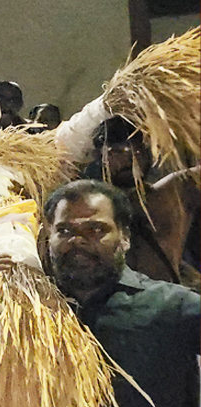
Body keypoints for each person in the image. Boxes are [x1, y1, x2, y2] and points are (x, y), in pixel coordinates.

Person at [0, 179, 199, 407]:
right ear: (47, 239)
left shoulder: (170, 307)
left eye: (96, 230)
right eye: (65, 231)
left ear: (125, 238)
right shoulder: (24, 314)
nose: (78, 241)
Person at [85, 116, 200, 289]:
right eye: (119, 152)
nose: (131, 160)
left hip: (171, 297)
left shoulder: (173, 193)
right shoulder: (86, 210)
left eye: (138, 152)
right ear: (99, 156)